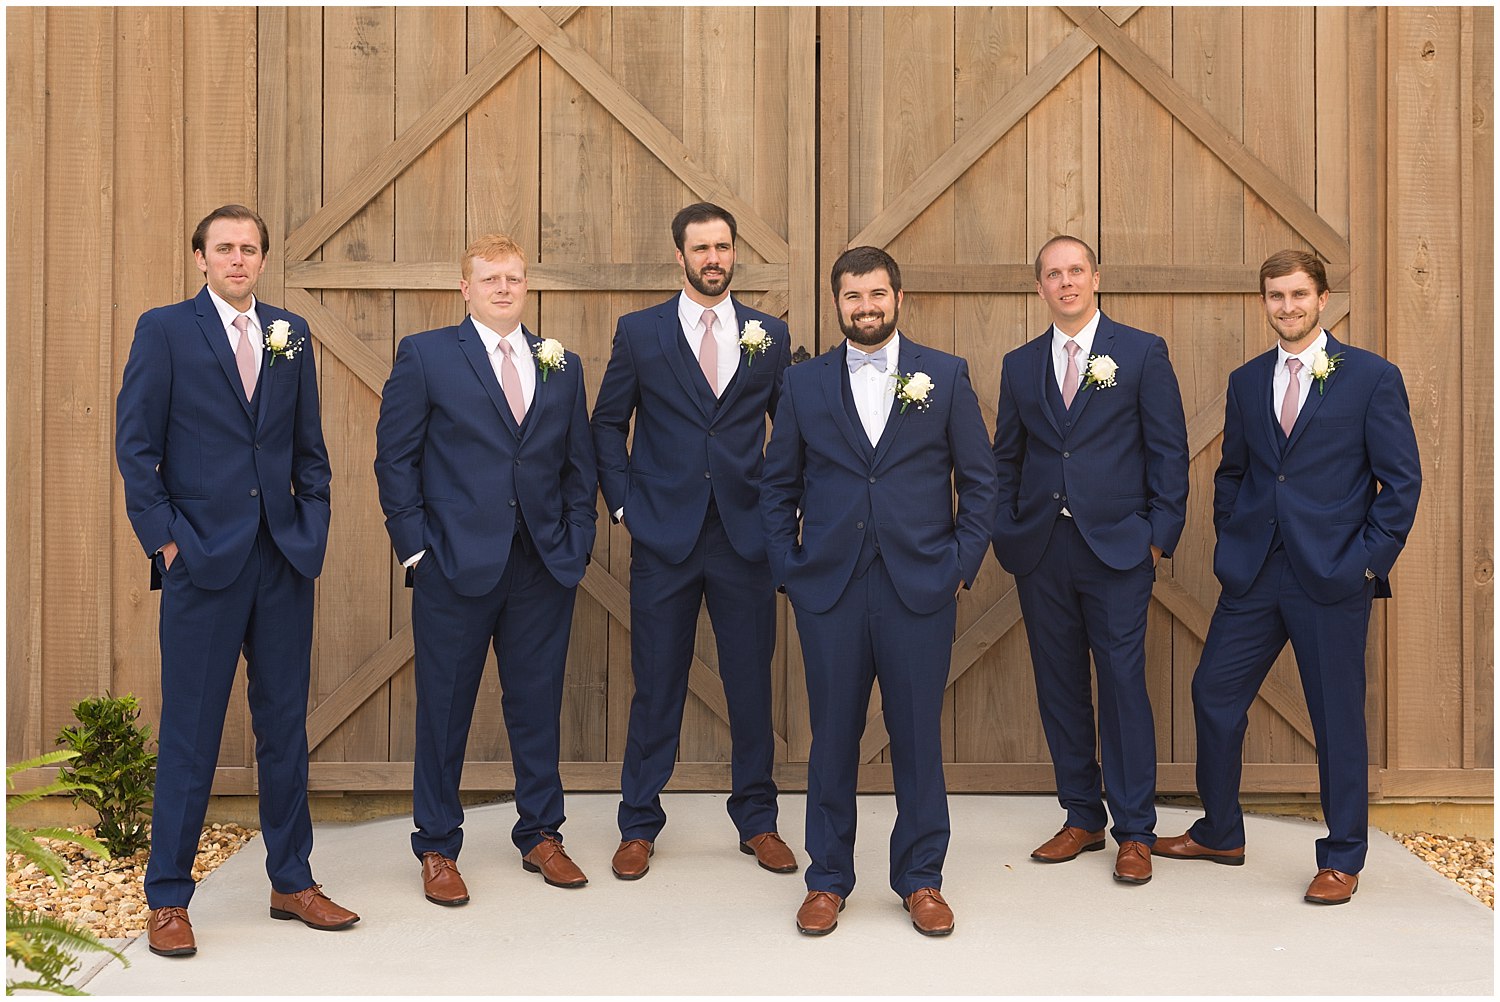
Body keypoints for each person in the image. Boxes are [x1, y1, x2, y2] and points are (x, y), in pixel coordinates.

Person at [116, 204, 358, 958]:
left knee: (284, 728)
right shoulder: (164, 330)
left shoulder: (291, 334)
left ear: (260, 259)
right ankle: (168, 899)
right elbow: (135, 448)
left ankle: (291, 879)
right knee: (190, 733)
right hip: (202, 562)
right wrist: (168, 545)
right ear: (200, 259)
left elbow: (307, 447)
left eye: (249, 248)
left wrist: (309, 526)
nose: (238, 259)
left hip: (282, 561)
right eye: (224, 248)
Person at [1153, 250, 1421, 905]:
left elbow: (1402, 482)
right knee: (1213, 695)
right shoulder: (1247, 381)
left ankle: (1342, 858)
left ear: (1322, 298)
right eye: (1275, 296)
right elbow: (1236, 472)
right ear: (1265, 301)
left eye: (1298, 294)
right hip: (1255, 574)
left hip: (1333, 576)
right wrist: (1232, 538)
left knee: (1336, 720)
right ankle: (1220, 830)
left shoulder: (1371, 378)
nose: (1287, 306)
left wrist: (1365, 561)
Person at [762, 246, 997, 937]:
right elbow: (777, 487)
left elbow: (979, 483)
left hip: (920, 586)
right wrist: (791, 569)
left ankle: (922, 878)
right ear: (837, 304)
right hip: (828, 590)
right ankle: (828, 879)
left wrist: (959, 564)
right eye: (852, 297)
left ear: (898, 296)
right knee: (832, 736)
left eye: (876, 294)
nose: (865, 307)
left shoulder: (946, 377)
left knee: (918, 737)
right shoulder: (803, 385)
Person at [374, 234, 598, 903]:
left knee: (536, 707)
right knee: (444, 710)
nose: (504, 288)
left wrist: (577, 541)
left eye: (514, 278)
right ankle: (438, 846)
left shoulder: (563, 364)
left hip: (541, 565)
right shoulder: (427, 355)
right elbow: (395, 460)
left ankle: (541, 835)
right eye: (490, 278)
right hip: (454, 564)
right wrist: (417, 548)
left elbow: (578, 467)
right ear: (464, 288)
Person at [591, 203, 795, 880]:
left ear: (734, 254)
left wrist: (779, 513)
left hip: (744, 540)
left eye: (723, 247)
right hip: (663, 538)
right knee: (656, 685)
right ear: (678, 256)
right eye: (701, 248)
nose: (714, 258)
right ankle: (639, 823)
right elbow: (606, 425)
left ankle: (758, 822)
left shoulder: (769, 333)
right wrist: (624, 507)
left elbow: (790, 434)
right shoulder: (640, 333)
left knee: (749, 687)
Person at [990, 235, 1189, 885]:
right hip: (1043, 548)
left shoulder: (1140, 352)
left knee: (1123, 685)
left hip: (1118, 548)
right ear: (1040, 286)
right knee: (1060, 686)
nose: (1066, 282)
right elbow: (1005, 460)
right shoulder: (1021, 366)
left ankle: (1135, 830)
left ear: (1096, 278)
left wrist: (1157, 536)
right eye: (1053, 274)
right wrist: (1006, 529)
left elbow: (1169, 453)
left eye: (1076, 271)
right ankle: (1081, 816)